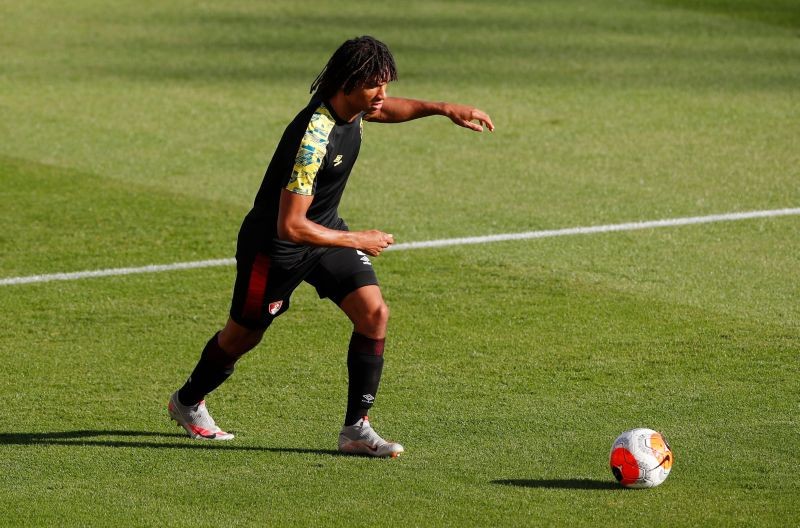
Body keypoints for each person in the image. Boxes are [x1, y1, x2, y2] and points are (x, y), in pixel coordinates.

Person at [168, 35, 494, 457]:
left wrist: (444, 109)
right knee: (241, 338)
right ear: (347, 84)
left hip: (323, 234)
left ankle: (357, 430)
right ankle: (188, 401)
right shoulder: (312, 139)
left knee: (374, 312)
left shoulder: (355, 108)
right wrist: (357, 238)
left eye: (385, 84)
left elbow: (388, 110)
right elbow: (290, 225)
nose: (382, 96)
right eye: (374, 87)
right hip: (275, 249)